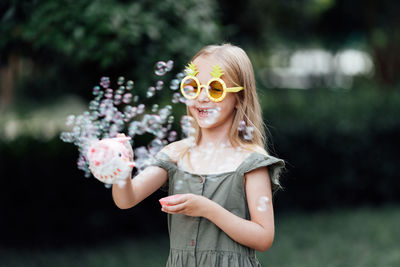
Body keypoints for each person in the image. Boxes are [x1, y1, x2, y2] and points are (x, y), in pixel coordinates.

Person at [112, 43, 285, 267]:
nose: (201, 98)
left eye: (214, 89)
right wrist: (120, 171)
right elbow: (126, 199)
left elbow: (263, 238)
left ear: (239, 98)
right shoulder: (176, 153)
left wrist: (206, 209)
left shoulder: (251, 160)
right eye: (193, 86)